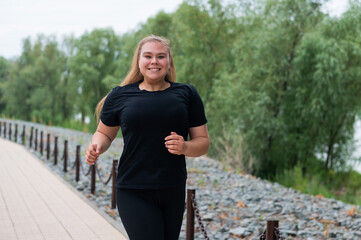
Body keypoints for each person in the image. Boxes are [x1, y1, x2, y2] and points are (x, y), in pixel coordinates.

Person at [85, 35, 209, 240]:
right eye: (148, 56)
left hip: (173, 189)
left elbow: (203, 142)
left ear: (169, 61)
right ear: (139, 61)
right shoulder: (120, 95)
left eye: (161, 56)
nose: (154, 61)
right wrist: (95, 146)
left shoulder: (187, 94)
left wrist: (185, 147)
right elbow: (104, 133)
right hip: (133, 189)